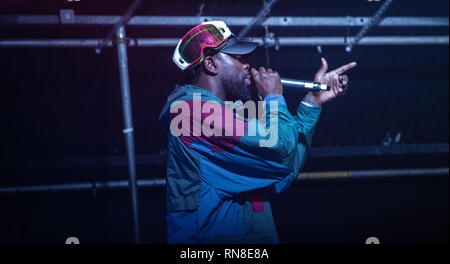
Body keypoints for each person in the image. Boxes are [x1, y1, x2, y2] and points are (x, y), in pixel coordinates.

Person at [159, 20, 356, 244]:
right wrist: (273, 98)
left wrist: (313, 102)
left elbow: (284, 168)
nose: (247, 66)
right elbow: (279, 150)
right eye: (238, 57)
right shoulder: (190, 111)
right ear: (212, 64)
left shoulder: (234, 114)